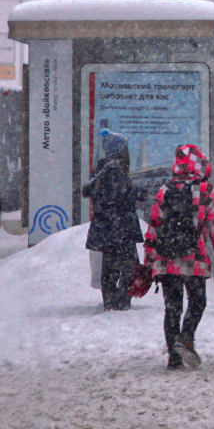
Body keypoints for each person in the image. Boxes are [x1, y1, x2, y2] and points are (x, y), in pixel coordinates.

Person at [144, 144, 214, 369]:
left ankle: (174, 357)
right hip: (195, 258)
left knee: (172, 307)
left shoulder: (164, 191)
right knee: (197, 302)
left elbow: (153, 227)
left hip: (166, 259)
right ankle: (186, 337)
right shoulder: (207, 192)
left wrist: (150, 261)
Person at [82, 131, 144, 311]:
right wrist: (140, 192)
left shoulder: (101, 170)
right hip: (122, 229)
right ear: (121, 151)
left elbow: (89, 191)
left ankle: (110, 301)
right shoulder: (116, 170)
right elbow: (125, 194)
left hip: (106, 230)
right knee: (128, 267)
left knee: (109, 268)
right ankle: (121, 302)